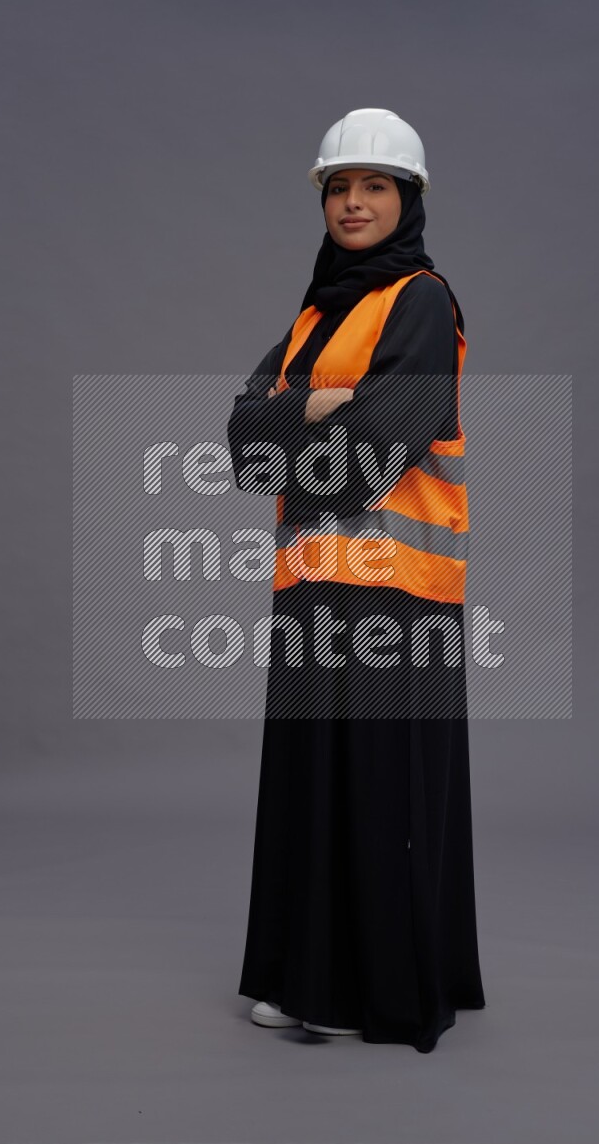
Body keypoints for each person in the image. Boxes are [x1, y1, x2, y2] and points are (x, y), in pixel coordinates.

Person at [227, 108, 486, 1053]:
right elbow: (240, 447)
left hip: (398, 592)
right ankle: (307, 984)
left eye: (374, 185)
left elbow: (377, 451)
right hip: (309, 586)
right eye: (340, 187)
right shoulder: (314, 313)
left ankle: (388, 992)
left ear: (407, 199)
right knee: (308, 787)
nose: (353, 202)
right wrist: (319, 405)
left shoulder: (422, 299)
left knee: (382, 794)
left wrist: (293, 419)